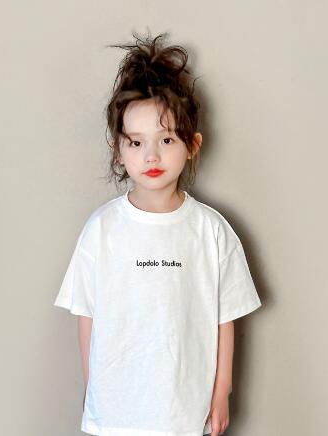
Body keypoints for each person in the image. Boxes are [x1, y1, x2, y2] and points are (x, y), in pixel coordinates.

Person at [54, 31, 262, 436]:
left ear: (192, 144)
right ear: (118, 149)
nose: (151, 156)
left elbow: (226, 319)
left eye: (166, 139)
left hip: (184, 411)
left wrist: (222, 391)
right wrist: (92, 388)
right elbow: (87, 314)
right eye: (136, 143)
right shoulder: (102, 229)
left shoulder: (210, 231)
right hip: (116, 411)